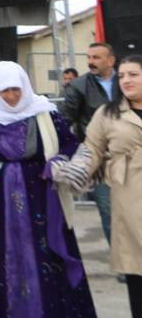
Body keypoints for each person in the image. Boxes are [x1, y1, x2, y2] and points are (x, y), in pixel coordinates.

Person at [0, 61, 96, 318]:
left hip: (43, 191)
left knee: (50, 254)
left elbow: (70, 144)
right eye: (5, 90)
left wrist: (59, 161)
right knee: (2, 257)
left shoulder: (44, 111)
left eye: (16, 89)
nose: (11, 96)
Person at [51, 55, 142, 316]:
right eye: (122, 76)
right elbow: (91, 149)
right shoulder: (108, 113)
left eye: (133, 74)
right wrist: (71, 172)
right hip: (130, 202)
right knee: (138, 275)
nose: (126, 80)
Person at [64, 42, 117, 246]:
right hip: (100, 160)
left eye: (96, 57)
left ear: (111, 60)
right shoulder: (78, 86)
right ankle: (123, 261)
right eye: (89, 57)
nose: (90, 62)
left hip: (131, 155)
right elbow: (65, 119)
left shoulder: (127, 80)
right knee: (108, 209)